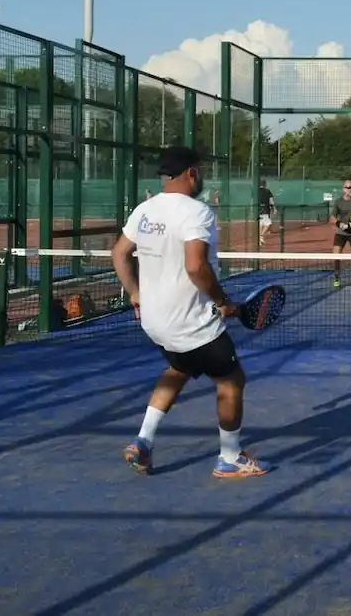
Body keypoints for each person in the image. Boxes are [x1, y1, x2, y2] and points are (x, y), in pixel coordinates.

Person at [111, 145, 272, 477]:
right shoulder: (197, 212)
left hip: (155, 322)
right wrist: (222, 301)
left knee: (179, 368)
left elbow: (119, 253)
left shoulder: (144, 210)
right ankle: (230, 458)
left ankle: (142, 442)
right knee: (231, 380)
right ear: (191, 173)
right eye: (201, 170)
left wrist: (135, 293)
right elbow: (196, 267)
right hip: (193, 324)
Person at [257, 178, 277, 247]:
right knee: (268, 223)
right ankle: (261, 236)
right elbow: (271, 201)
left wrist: (252, 209)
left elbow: (252, 200)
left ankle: (260, 239)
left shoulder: (256, 191)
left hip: (257, 210)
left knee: (260, 225)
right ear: (265, 184)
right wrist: (274, 208)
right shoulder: (267, 191)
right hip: (265, 210)